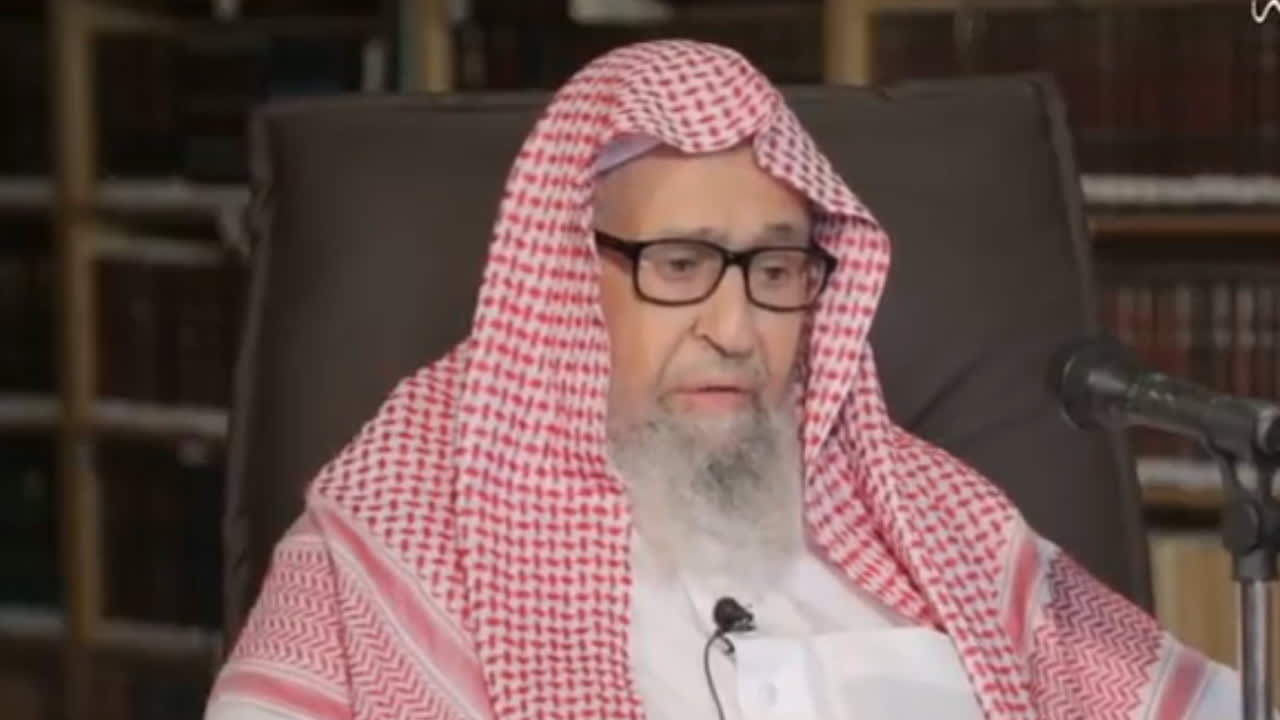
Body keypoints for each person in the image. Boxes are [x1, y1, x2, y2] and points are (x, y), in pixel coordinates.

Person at [205, 39, 1247, 720]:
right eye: (678, 264)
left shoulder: (940, 525)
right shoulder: (385, 541)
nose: (736, 327)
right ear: (567, 277)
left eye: (776, 269)